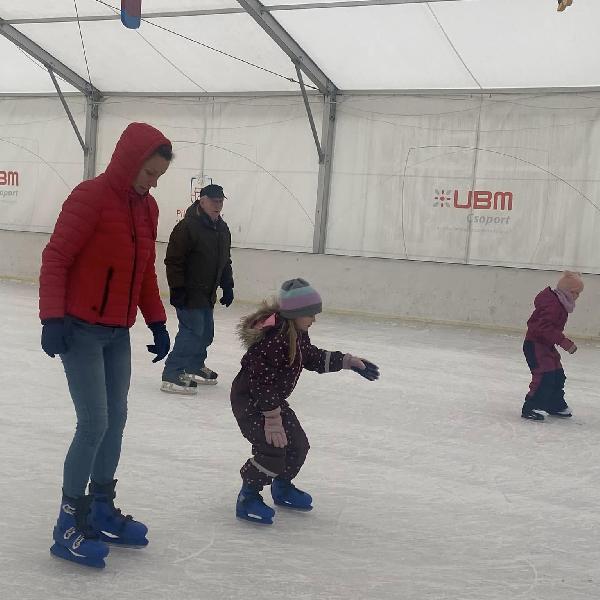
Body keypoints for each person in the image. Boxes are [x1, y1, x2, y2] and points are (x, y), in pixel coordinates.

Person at [39, 122, 173, 568]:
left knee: (116, 420)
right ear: (130, 161)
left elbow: (144, 272)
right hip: (79, 329)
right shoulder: (90, 197)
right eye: (149, 173)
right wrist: (51, 317)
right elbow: (57, 256)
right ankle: (68, 523)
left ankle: (100, 507)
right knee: (93, 423)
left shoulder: (147, 209)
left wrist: (155, 320)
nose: (152, 183)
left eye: (158, 177)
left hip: (118, 332)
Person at [230, 278, 379, 525]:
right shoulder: (273, 341)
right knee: (272, 449)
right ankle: (248, 496)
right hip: (251, 403)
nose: (314, 319)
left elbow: (311, 357)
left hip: (272, 402)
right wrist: (272, 418)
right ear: (295, 313)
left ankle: (283, 486)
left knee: (298, 444)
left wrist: (347, 361)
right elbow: (260, 383)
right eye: (310, 314)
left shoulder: (297, 334)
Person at [161, 183, 234, 394]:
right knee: (192, 332)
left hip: (207, 292)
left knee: (206, 333)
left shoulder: (222, 228)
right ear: (202, 201)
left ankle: (194, 366)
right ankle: (172, 372)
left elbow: (225, 260)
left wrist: (227, 284)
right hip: (189, 291)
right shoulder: (187, 227)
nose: (217, 205)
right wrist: (177, 289)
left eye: (220, 201)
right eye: (213, 201)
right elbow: (173, 261)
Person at [521, 271, 584, 421]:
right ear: (569, 292)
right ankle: (531, 406)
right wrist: (564, 342)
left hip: (545, 344)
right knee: (545, 375)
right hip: (535, 344)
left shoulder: (560, 302)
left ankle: (554, 404)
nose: (578, 297)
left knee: (557, 374)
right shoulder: (554, 305)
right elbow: (543, 328)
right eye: (577, 293)